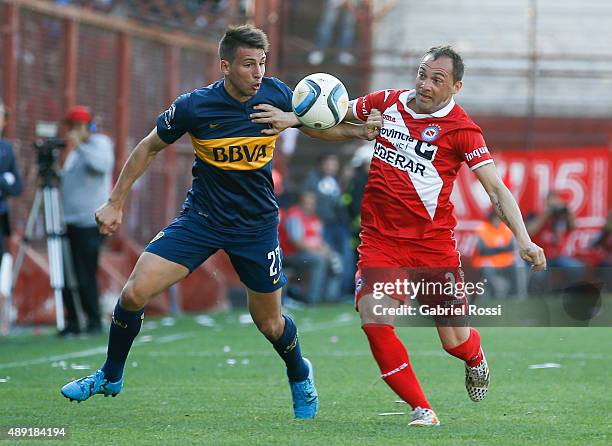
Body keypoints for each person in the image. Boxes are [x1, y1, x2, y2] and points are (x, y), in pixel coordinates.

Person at [60, 25, 381, 419]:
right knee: (132, 294)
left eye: (262, 63)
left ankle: (299, 372)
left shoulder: (278, 94)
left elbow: (319, 125)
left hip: (256, 225)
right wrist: (114, 202)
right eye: (249, 65)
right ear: (225, 65)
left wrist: (355, 131)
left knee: (270, 323)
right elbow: (149, 147)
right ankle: (110, 375)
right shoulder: (195, 106)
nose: (258, 73)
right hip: (202, 219)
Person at [253, 45, 546, 426]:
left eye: (436, 79)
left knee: (454, 341)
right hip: (380, 240)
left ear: (456, 86)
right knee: (374, 320)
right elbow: (330, 119)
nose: (424, 84)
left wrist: (523, 239)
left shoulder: (463, 131)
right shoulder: (387, 102)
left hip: (433, 245)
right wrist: (293, 117)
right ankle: (422, 409)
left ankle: (475, 357)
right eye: (422, 74)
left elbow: (495, 189)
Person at [58, 106, 114, 336]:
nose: (74, 131)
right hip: (69, 220)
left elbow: (101, 166)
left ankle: (92, 320)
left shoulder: (99, 144)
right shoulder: (75, 152)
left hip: (90, 222)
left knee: (84, 273)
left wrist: (80, 144)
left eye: (79, 126)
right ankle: (73, 320)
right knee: (67, 273)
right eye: (72, 127)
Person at [281, 191, 342, 304]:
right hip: (291, 255)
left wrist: (327, 251)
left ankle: (330, 297)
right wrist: (318, 252)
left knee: (336, 259)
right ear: (300, 203)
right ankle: (313, 299)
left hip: (309, 254)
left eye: (312, 203)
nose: (309, 206)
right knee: (319, 260)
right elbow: (296, 242)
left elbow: (319, 240)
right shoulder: (294, 216)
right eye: (306, 203)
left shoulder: (314, 218)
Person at [472, 210, 519, 298]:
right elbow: (483, 251)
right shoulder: (483, 229)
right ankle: (493, 295)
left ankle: (513, 295)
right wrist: (502, 249)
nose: (497, 221)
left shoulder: (506, 229)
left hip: (504, 262)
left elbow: (511, 248)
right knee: (487, 270)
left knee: (516, 265)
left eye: (499, 219)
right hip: (488, 262)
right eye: (495, 219)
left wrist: (493, 249)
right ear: (490, 219)